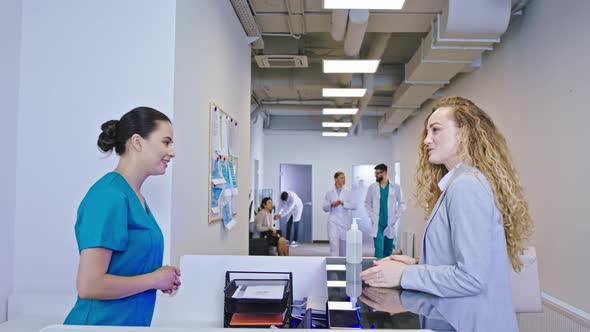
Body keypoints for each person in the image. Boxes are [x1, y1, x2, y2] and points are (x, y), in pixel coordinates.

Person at [361, 96, 534, 330]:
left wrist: (405, 275)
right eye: (427, 132)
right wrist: (418, 263)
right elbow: (469, 261)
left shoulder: (466, 186)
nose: (427, 140)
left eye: (435, 130)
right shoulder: (463, 182)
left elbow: (472, 278)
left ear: (465, 133)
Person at [64, 107, 181, 326]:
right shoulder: (109, 196)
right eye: (166, 142)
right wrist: (153, 280)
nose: (172, 152)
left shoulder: (135, 197)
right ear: (137, 142)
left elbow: (126, 265)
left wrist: (161, 276)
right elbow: (90, 285)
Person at [364, 164, 406, 258]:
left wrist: (396, 217)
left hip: (389, 222)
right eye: (375, 173)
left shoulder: (395, 187)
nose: (376, 175)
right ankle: (377, 269)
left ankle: (386, 269)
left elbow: (402, 204)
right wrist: (371, 215)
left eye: (378, 173)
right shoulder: (372, 187)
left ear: (385, 173)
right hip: (377, 223)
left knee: (388, 250)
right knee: (379, 250)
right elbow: (367, 203)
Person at [322, 171, 356, 256]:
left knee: (344, 246)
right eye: (342, 177)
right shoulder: (329, 192)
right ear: (336, 179)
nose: (344, 179)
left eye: (344, 177)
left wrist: (343, 203)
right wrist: (331, 204)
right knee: (334, 245)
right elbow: (324, 208)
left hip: (344, 221)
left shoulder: (348, 191)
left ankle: (344, 265)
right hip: (333, 221)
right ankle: (334, 265)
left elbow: (354, 205)